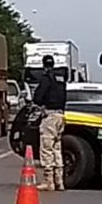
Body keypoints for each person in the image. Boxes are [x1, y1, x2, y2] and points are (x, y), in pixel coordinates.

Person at [31, 54, 67, 191]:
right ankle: (59, 181)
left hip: (50, 116)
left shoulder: (46, 79)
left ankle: (49, 181)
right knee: (57, 148)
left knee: (46, 148)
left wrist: (38, 102)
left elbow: (38, 97)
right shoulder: (60, 79)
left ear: (44, 65)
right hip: (60, 115)